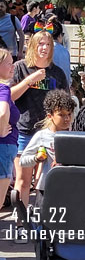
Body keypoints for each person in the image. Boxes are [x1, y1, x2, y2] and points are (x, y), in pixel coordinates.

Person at [12, 31, 68, 215]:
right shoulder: (20, 68)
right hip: (25, 130)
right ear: (33, 46)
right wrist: (29, 80)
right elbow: (9, 96)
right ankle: (21, 223)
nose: (44, 48)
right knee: (23, 180)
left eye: (48, 44)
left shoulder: (57, 73)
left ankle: (45, 221)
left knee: (47, 180)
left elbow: (65, 102)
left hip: (51, 133)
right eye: (40, 44)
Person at [19, 90, 75, 193]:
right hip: (46, 188)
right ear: (50, 116)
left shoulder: (76, 135)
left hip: (69, 187)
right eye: (61, 115)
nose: (66, 118)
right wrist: (36, 158)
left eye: (69, 114)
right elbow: (22, 161)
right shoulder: (42, 136)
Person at [0, 49, 21, 218]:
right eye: (8, 63)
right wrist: (0, 130)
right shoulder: (3, 89)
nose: (13, 66)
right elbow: (2, 113)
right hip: (5, 146)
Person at [47, 18, 71, 85]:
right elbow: (68, 77)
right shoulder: (65, 51)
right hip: (64, 89)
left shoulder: (45, 50)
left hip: (49, 88)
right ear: (60, 35)